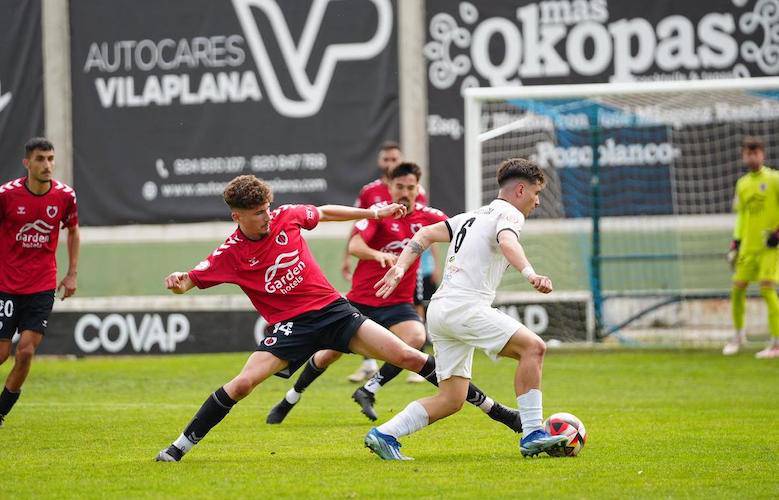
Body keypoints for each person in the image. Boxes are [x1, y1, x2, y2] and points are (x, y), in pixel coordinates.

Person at [155, 175, 463, 462]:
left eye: (267, 208)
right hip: (291, 328)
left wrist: (373, 214)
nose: (267, 216)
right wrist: (178, 281)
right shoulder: (229, 253)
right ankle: (176, 449)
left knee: (408, 353)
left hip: (333, 312)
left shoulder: (285, 216)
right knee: (243, 384)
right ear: (237, 216)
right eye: (259, 213)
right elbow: (189, 281)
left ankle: (492, 409)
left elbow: (324, 212)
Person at [265, 163, 522, 432]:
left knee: (415, 338)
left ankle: (369, 389)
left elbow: (464, 232)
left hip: (398, 301)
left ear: (417, 189)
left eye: (410, 187)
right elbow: (354, 245)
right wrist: (378, 255)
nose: (405, 192)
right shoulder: (379, 216)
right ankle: (290, 398)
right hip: (363, 299)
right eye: (399, 187)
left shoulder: (429, 216)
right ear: (389, 188)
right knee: (327, 355)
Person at [365, 158, 568, 460]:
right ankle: (533, 432)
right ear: (521, 190)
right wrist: (530, 274)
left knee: (451, 398)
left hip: (440, 311)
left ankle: (384, 434)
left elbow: (422, 235)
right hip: (464, 306)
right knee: (533, 348)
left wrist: (400, 267)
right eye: (536, 194)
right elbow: (508, 241)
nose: (537, 202)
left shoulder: (472, 215)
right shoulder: (510, 214)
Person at [0, 137, 79, 427]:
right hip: (5, 284)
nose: (47, 165)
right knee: (1, 353)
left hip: (41, 285)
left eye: (50, 159)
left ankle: (0, 412)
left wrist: (71, 273)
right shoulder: (6, 196)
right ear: (27, 163)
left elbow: (73, 231)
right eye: (40, 159)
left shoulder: (65, 196)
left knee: (26, 352)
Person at [343, 141, 428, 383]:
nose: (390, 163)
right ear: (381, 164)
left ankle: (414, 359)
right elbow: (357, 229)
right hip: (373, 268)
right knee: (360, 316)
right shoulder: (370, 192)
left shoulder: (415, 191)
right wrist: (348, 257)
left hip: (409, 265)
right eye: (386, 159)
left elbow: (428, 228)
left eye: (395, 159)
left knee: (416, 307)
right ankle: (368, 364)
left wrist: (432, 261)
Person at [723, 136, 779, 358]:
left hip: (770, 247)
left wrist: (777, 234)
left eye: (755, 153)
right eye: (748, 153)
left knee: (767, 289)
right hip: (748, 247)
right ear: (743, 155)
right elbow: (742, 216)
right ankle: (738, 337)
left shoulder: (774, 179)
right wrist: (736, 242)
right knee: (737, 290)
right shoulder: (742, 184)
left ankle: (776, 343)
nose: (752, 157)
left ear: (762, 155)